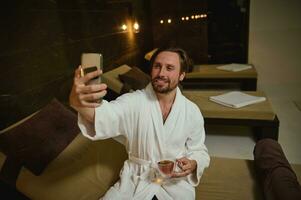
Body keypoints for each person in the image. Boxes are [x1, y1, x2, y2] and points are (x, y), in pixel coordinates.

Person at [69, 47, 210, 199]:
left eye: (169, 68)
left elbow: (199, 150)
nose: (161, 73)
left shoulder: (191, 111)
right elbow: (104, 116)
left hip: (174, 183)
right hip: (136, 180)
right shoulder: (134, 102)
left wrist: (194, 163)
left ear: (182, 75)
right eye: (157, 66)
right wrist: (78, 103)